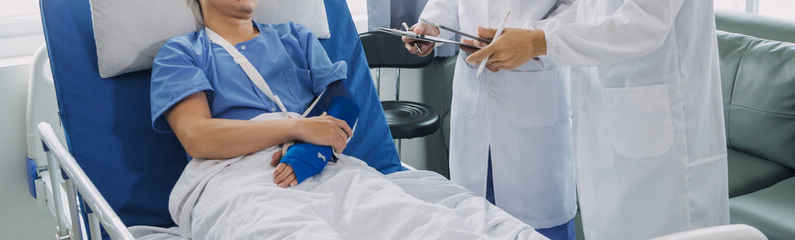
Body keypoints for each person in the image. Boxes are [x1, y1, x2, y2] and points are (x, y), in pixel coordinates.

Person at [148, 0, 550, 238]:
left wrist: (312, 151)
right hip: (238, 176)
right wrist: (298, 127)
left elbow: (344, 106)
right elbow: (197, 136)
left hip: (323, 166)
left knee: (423, 224)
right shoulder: (182, 52)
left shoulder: (294, 36)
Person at [464, 0, 730, 239]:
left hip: (664, 146)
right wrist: (527, 32)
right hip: (610, 129)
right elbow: (589, 12)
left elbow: (644, 22)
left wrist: (540, 41)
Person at [403, 1, 577, 239]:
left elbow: (579, 8)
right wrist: (431, 27)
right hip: (474, 96)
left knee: (541, 228)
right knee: (473, 220)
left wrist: (534, 39)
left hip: (533, 88)